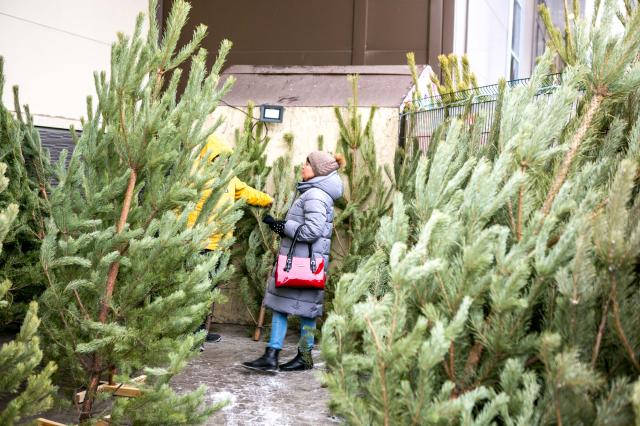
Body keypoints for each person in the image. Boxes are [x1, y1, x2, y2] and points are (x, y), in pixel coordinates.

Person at [243, 151, 345, 372]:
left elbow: (312, 231)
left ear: (317, 169)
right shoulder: (316, 192)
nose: (303, 166)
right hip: (306, 262)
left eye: (307, 163)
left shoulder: (316, 195)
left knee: (283, 307)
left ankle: (277, 356)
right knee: (301, 309)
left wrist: (282, 226)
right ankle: (292, 356)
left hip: (301, 263)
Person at [188, 135, 273, 344]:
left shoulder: (229, 179)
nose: (224, 162)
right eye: (220, 157)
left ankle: (199, 332)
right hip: (199, 243)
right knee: (196, 289)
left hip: (220, 245)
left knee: (210, 291)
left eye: (226, 158)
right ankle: (188, 336)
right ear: (210, 157)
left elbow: (246, 192)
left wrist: (268, 199)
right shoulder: (195, 176)